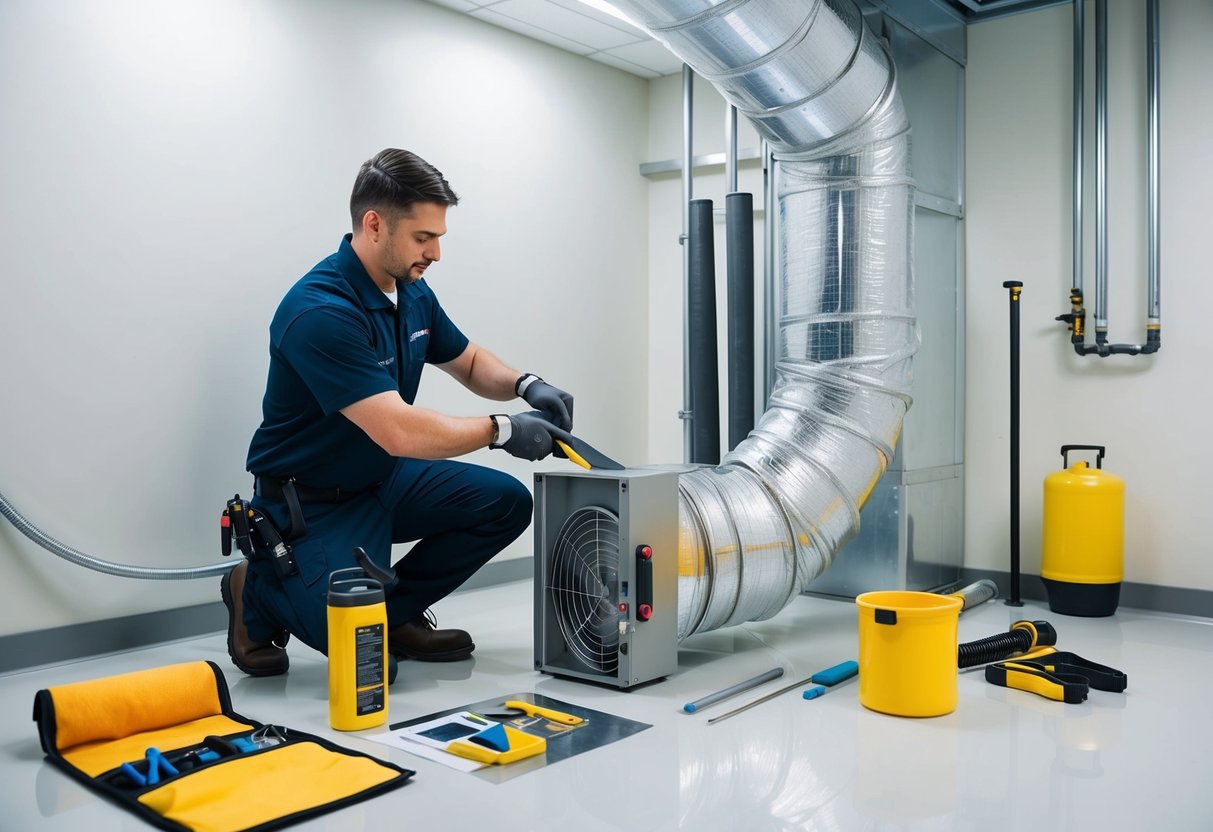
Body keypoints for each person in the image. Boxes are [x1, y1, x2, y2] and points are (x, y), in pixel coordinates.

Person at [221, 148, 574, 677]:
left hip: (379, 479)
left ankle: (397, 612)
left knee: (505, 504)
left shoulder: (410, 292)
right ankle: (257, 589)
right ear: (374, 224)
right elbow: (397, 430)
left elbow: (470, 360)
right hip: (309, 504)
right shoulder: (320, 311)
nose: (435, 253)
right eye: (423, 237)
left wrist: (527, 385)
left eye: (438, 237)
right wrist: (502, 431)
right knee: (365, 665)